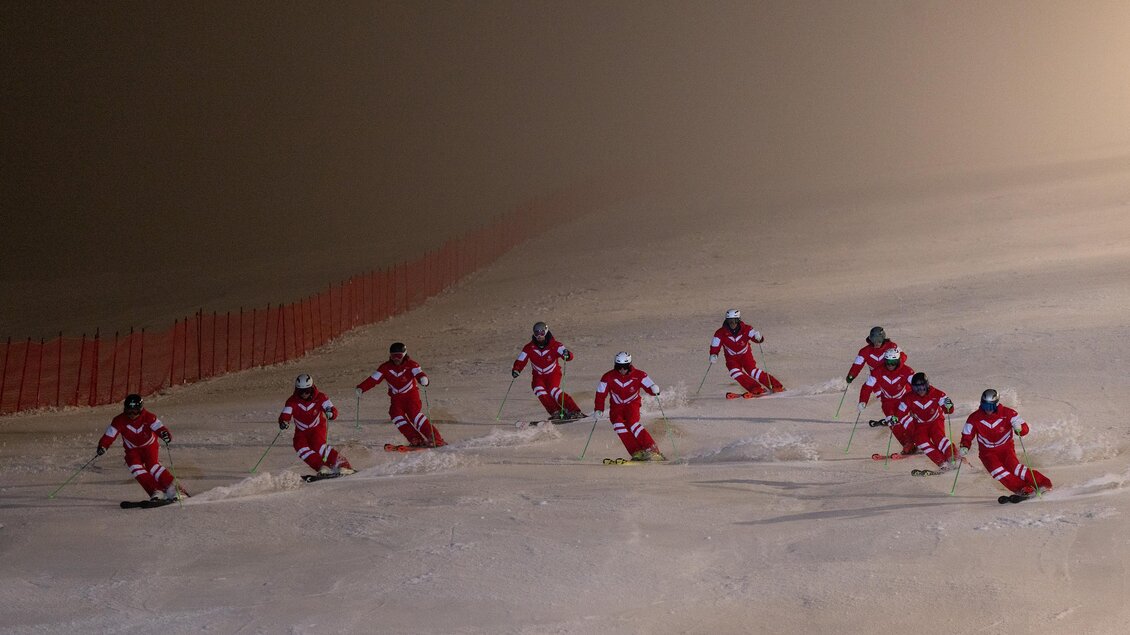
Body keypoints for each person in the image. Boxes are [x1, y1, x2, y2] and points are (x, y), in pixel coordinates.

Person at [959, 389, 1053, 495]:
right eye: (985, 406)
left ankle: (1043, 483)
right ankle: (1023, 489)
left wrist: (1020, 428)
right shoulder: (974, 418)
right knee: (998, 472)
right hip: (987, 453)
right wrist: (964, 446)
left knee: (1015, 468)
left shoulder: (1008, 414)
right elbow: (966, 435)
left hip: (1006, 449)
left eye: (991, 407)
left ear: (997, 404)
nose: (988, 410)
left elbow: (1025, 429)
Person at [356, 342, 445, 447]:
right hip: (396, 399)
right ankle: (415, 438)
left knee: (414, 415)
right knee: (396, 415)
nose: (396, 359)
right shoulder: (385, 368)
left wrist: (423, 379)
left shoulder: (411, 365)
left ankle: (434, 438)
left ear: (404, 354)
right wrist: (362, 387)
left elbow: (419, 373)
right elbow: (373, 379)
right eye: (393, 356)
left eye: (399, 356)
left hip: (411, 396)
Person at [96, 394, 183, 501]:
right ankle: (156, 490)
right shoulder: (119, 420)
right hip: (132, 450)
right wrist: (103, 445)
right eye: (129, 411)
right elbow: (110, 434)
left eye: (135, 411)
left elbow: (160, 428)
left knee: (153, 467)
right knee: (135, 468)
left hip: (149, 446)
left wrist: (165, 434)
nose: (132, 415)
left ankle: (174, 489)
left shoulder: (149, 417)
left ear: (141, 410)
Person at [593, 352, 665, 461]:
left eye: (625, 367)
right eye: (619, 367)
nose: (622, 370)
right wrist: (599, 409)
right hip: (616, 407)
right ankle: (636, 452)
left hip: (632, 404)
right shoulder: (608, 377)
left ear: (630, 365)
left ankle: (652, 450)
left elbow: (650, 386)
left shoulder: (639, 375)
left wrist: (654, 389)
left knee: (633, 424)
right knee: (618, 425)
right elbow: (600, 394)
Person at [278, 374, 355, 476]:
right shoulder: (292, 401)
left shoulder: (320, 397)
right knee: (300, 446)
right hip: (301, 431)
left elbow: (331, 408)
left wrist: (331, 414)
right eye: (301, 392)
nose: (304, 394)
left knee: (319, 446)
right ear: (297, 391)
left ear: (312, 388)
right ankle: (322, 467)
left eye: (307, 391)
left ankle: (344, 465)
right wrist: (284, 422)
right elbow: (285, 414)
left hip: (317, 428)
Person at [512, 321, 585, 420]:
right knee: (538, 389)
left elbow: (568, 356)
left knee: (553, 390)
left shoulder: (555, 345)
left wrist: (567, 355)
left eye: (542, 333)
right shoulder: (529, 348)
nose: (539, 336)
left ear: (546, 332)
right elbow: (521, 360)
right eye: (536, 333)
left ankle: (575, 411)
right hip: (538, 375)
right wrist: (517, 369)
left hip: (552, 373)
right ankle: (556, 412)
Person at [708, 309, 784, 398]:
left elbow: (756, 338)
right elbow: (715, 345)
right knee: (735, 372)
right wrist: (714, 354)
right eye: (730, 321)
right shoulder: (720, 333)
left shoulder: (746, 329)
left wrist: (759, 337)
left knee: (753, 371)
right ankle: (755, 388)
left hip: (745, 355)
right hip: (731, 358)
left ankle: (776, 385)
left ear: (739, 320)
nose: (732, 323)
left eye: (735, 321)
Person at [889, 372, 958, 469]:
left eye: (922, 387)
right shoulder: (908, 398)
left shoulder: (938, 394)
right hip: (920, 425)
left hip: (935, 422)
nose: (920, 390)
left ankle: (953, 456)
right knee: (921, 441)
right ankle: (942, 462)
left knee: (938, 439)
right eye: (916, 388)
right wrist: (895, 419)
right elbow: (901, 412)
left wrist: (949, 406)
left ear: (927, 385)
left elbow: (949, 411)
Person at [857, 347, 918, 454]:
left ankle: (919, 440)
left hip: (903, 399)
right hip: (888, 401)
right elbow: (867, 386)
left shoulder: (906, 371)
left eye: (893, 362)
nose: (890, 365)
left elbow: (917, 385)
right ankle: (907, 444)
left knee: (905, 420)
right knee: (891, 421)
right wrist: (863, 400)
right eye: (888, 362)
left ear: (898, 361)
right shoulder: (878, 371)